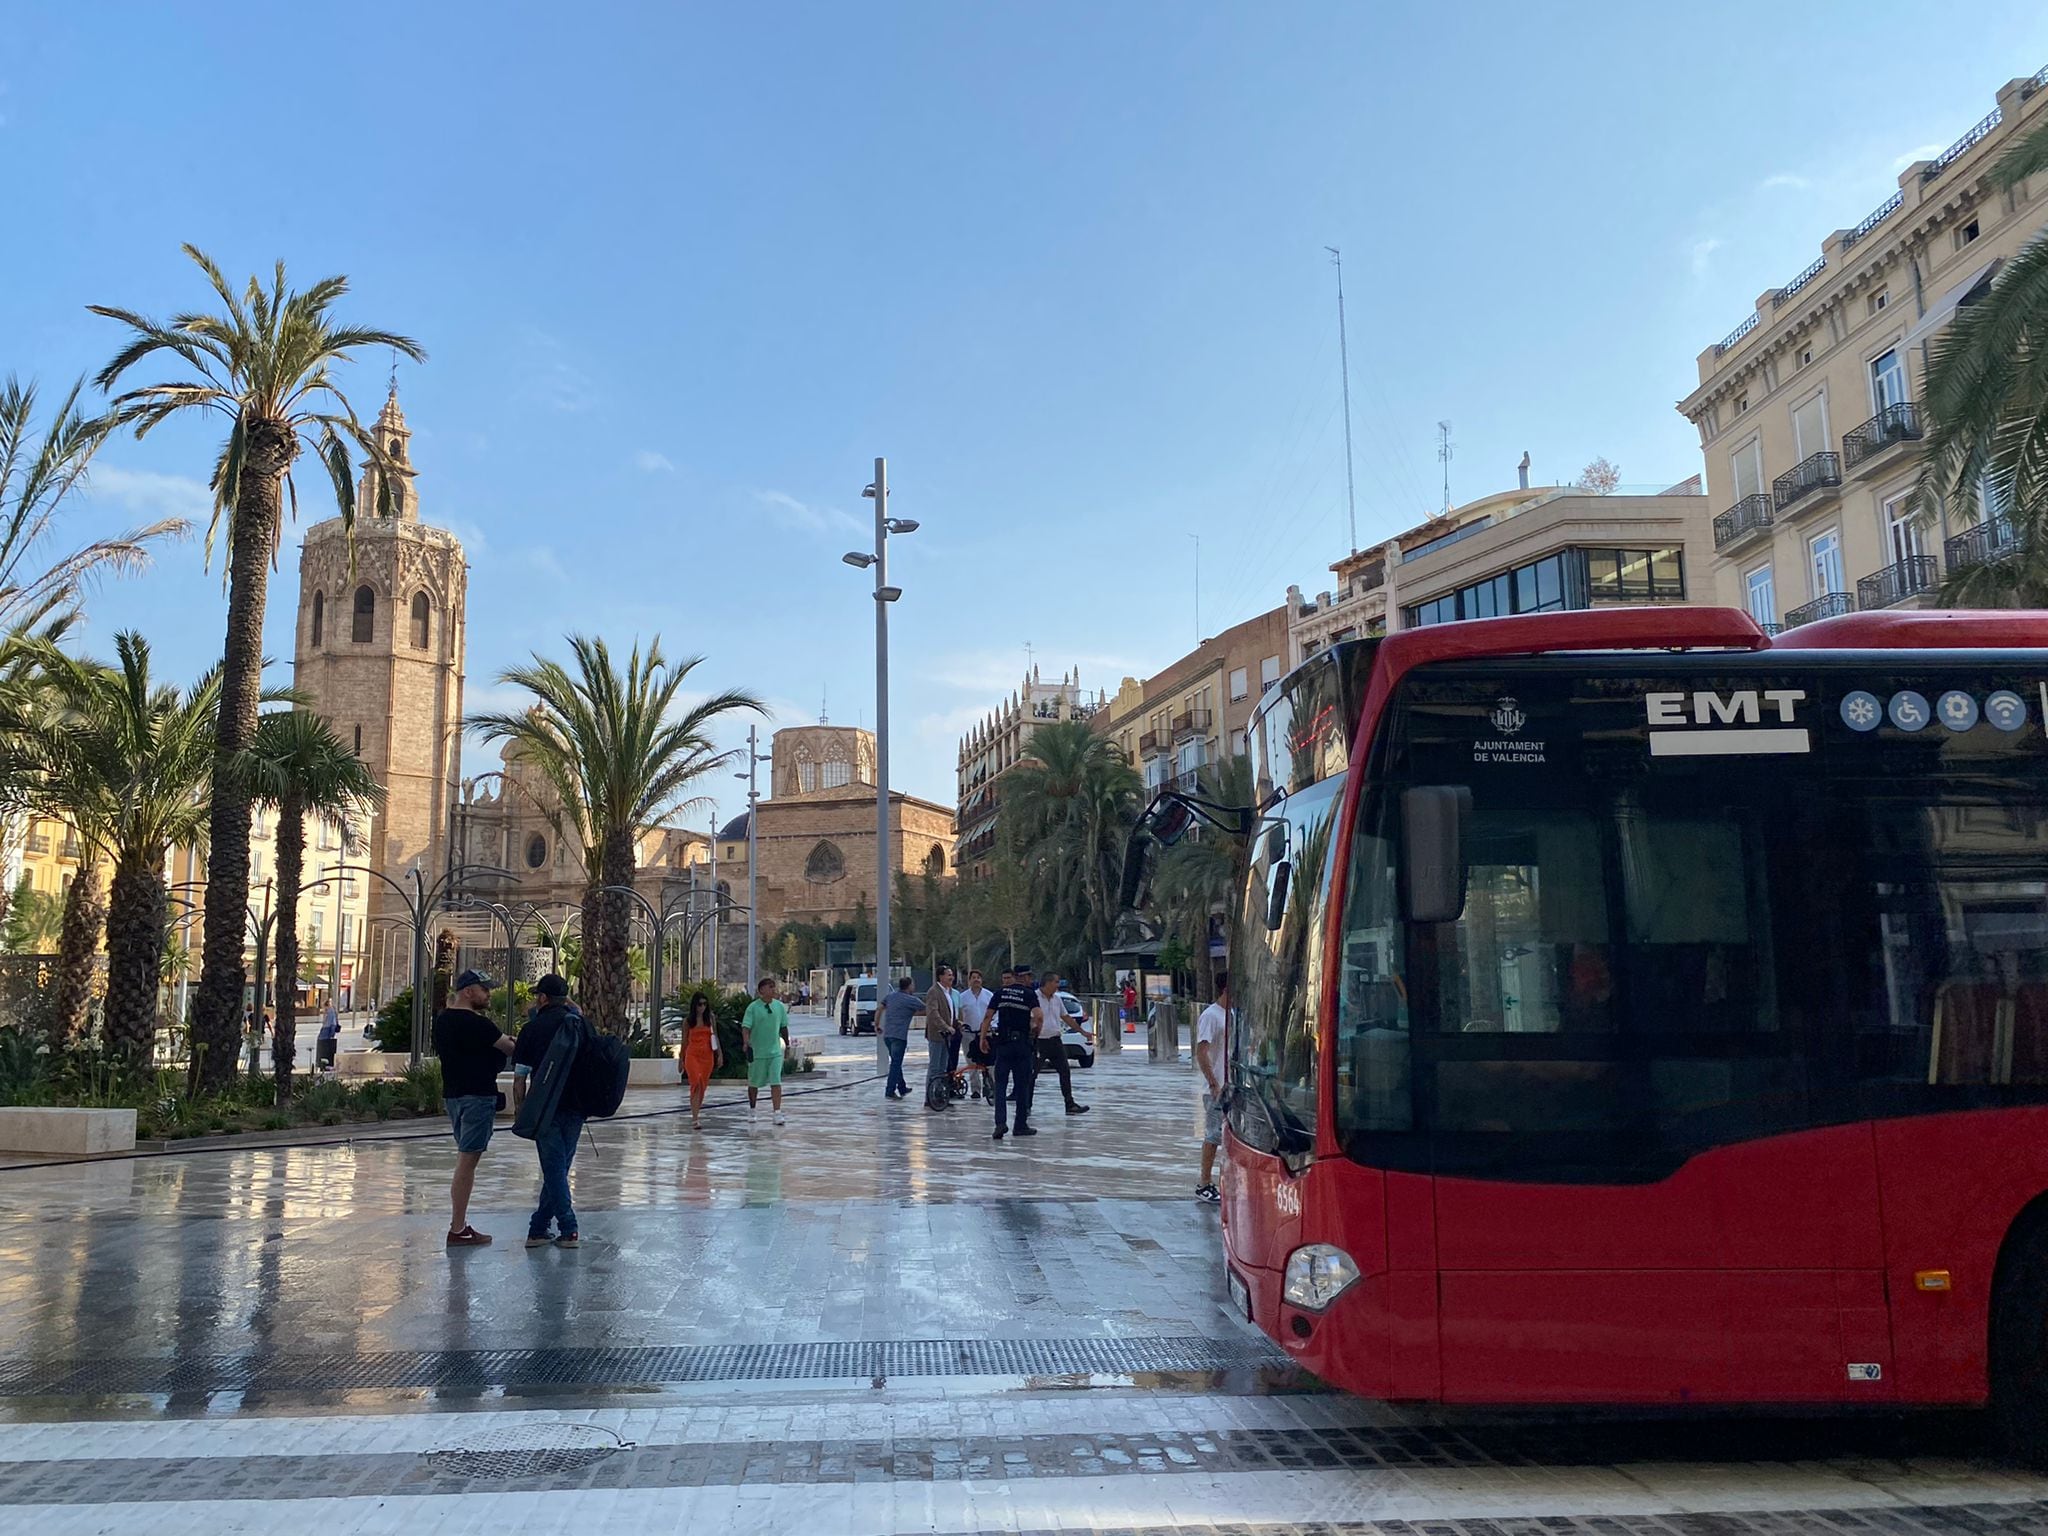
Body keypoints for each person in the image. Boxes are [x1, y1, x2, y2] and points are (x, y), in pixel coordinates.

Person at [433, 969, 516, 1246]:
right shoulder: (480, 1024)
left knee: (464, 1158)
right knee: (467, 1162)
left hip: (453, 1096)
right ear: (468, 991)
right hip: (478, 1097)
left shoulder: (442, 1021)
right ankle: (458, 1228)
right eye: (484, 989)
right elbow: (508, 1048)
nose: (488, 994)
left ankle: (459, 1225)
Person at [512, 974, 590, 1248]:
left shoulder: (532, 1029)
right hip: (577, 1106)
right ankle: (538, 1227)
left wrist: (522, 1110)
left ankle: (568, 1228)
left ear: (543, 998)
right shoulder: (579, 1024)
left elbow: (520, 1077)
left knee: (554, 1169)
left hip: (545, 1108)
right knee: (558, 1168)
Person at [981, 963, 1039, 1139]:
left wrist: (983, 1038)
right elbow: (1039, 1017)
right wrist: (1035, 1032)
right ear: (1024, 977)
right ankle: (1020, 1125)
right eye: (1029, 976)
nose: (1030, 980)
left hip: (1003, 1044)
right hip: (1022, 1044)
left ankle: (1000, 1123)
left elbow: (987, 1016)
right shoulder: (1029, 994)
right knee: (1022, 1085)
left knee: (1000, 1085)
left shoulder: (1000, 993)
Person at [1032, 970, 1090, 1116]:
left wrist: (1082, 1032)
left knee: (1065, 1071)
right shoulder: (1033, 998)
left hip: (1056, 1040)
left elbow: (1066, 1017)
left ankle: (1070, 1104)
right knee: (1032, 1074)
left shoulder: (1057, 999)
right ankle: (1026, 1105)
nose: (1058, 985)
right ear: (1048, 982)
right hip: (1039, 1041)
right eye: (1056, 982)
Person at [1195, 972, 1230, 1205]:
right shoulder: (1211, 1016)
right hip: (1216, 1088)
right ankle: (1204, 1183)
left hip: (1233, 1085)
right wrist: (1213, 1083)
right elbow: (1202, 1051)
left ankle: (1226, 1182)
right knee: (1214, 1134)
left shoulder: (1233, 1015)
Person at [741, 977, 790, 1128]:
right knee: (754, 1083)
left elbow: (783, 1027)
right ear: (762, 990)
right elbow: (746, 1027)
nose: (773, 990)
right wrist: (746, 1041)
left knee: (776, 1081)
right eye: (770, 987)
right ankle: (752, 1109)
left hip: (774, 1051)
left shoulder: (780, 1007)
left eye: (774, 987)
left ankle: (777, 1112)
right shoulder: (753, 1008)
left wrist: (787, 1045)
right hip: (757, 1052)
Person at [679, 991, 722, 1130]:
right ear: (694, 1006)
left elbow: (715, 1036)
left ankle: (697, 1113)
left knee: (702, 1084)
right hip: (692, 1054)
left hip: (707, 1055)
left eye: (704, 1004)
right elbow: (684, 1041)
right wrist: (681, 1058)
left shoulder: (710, 1019)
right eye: (699, 1004)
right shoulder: (688, 1021)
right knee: (695, 1082)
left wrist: (719, 1054)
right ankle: (695, 1117)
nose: (702, 1007)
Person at [877, 976, 924, 1098]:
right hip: (899, 1036)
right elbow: (927, 1009)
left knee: (895, 1062)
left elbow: (880, 1009)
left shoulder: (890, 996)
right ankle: (890, 1090)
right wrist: (913, 1013)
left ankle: (902, 1087)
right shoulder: (911, 1000)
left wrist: (877, 1024)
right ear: (909, 986)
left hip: (887, 1035)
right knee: (896, 1063)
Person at [955, 968, 994, 1101]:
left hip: (985, 1033)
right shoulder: (962, 997)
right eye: (973, 977)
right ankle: (975, 1089)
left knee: (989, 1062)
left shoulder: (989, 995)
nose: (976, 980)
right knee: (971, 1061)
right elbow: (958, 1014)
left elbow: (995, 1013)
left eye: (978, 977)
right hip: (968, 1034)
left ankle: (991, 1087)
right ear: (969, 980)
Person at [923, 965, 958, 1111]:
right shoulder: (934, 992)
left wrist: (956, 1023)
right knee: (935, 1067)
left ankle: (940, 1096)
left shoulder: (948, 992)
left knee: (943, 1068)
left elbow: (948, 1012)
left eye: (952, 974)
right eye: (948, 974)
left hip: (947, 1036)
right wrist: (945, 1027)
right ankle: (929, 1098)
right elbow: (933, 1013)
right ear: (940, 977)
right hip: (937, 1035)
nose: (951, 977)